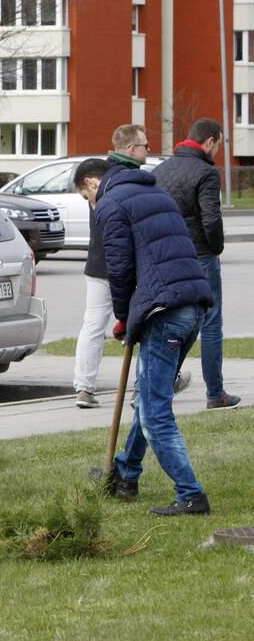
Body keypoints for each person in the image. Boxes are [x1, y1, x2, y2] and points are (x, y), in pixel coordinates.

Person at [75, 158, 215, 516]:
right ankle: (126, 473)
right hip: (192, 304)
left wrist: (122, 317)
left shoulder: (110, 203)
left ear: (92, 183)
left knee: (154, 412)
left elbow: (119, 268)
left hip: (164, 312)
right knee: (151, 395)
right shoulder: (156, 192)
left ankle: (191, 494)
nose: (90, 205)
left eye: (84, 197)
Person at [72, 125, 191, 408]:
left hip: (98, 264)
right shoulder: (123, 180)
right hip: (124, 263)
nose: (149, 151)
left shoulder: (103, 176)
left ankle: (84, 387)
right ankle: (149, 386)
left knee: (93, 325)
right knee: (146, 325)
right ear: (131, 149)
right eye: (145, 145)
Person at [150, 117, 241, 410]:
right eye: (219, 143)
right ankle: (215, 393)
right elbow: (211, 219)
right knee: (211, 323)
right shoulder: (206, 172)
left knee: (169, 319)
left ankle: (154, 383)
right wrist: (216, 249)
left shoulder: (161, 170)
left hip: (166, 255)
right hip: (199, 255)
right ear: (210, 141)